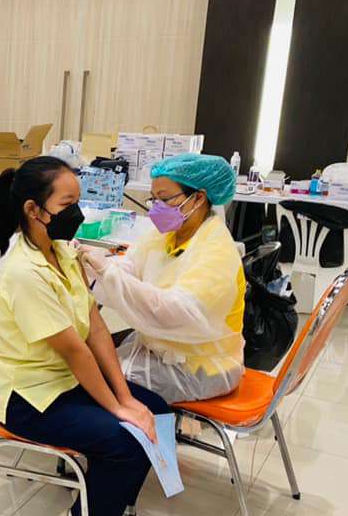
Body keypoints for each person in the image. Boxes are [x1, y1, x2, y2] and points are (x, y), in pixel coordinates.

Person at [0, 156, 170, 516]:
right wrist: (119, 407)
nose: (78, 214)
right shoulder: (24, 272)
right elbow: (75, 351)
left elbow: (96, 328)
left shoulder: (63, 252)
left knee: (156, 411)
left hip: (64, 381)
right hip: (27, 395)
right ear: (34, 210)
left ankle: (106, 510)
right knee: (124, 438)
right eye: (67, 204)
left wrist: (125, 397)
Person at [79, 154, 244, 404]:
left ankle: (152, 425)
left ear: (199, 198)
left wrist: (107, 273)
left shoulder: (217, 252)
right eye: (153, 199)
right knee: (89, 364)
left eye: (165, 199)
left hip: (202, 365)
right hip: (163, 348)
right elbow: (130, 269)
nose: (156, 208)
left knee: (97, 386)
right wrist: (92, 269)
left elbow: (173, 313)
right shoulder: (166, 235)